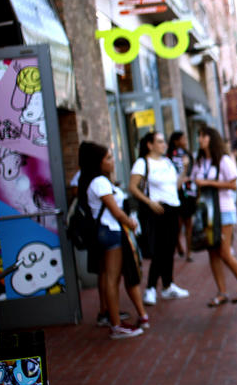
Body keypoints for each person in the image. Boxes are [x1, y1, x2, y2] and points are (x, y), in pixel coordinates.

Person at [78, 141, 147, 338]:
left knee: (108, 277)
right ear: (97, 162)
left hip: (106, 232)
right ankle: (116, 324)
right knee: (112, 278)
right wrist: (131, 223)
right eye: (108, 158)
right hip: (110, 232)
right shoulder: (99, 182)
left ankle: (111, 317)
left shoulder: (90, 180)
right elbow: (116, 212)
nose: (112, 161)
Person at [128, 132, 189, 305]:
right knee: (159, 250)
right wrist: (150, 202)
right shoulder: (142, 163)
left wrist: (184, 170)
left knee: (169, 249)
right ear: (150, 144)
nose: (164, 145)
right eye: (160, 142)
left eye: (164, 141)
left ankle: (168, 286)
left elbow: (175, 186)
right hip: (157, 210)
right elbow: (132, 187)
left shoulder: (168, 162)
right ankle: (151, 288)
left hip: (173, 208)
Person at [192, 126, 237, 306]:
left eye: (204, 135)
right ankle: (221, 292)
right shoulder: (199, 162)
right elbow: (193, 181)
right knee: (212, 252)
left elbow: (234, 184)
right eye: (199, 136)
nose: (200, 139)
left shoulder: (223, 160)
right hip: (206, 214)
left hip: (223, 211)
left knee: (224, 252)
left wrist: (208, 183)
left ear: (211, 138)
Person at [167, 131, 197, 261]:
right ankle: (178, 245)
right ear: (176, 141)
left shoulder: (188, 154)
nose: (185, 140)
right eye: (182, 138)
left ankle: (189, 252)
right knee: (178, 224)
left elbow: (194, 170)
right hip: (176, 193)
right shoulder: (169, 156)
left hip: (189, 192)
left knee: (188, 223)